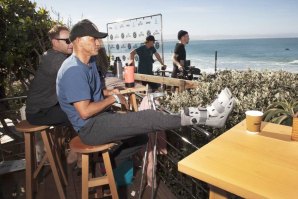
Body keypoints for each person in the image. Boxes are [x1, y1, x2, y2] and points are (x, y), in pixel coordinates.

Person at [56, 19, 235, 147]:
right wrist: (113, 100)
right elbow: (85, 112)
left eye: (99, 38)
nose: (99, 43)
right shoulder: (74, 70)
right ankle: (209, 116)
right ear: (78, 41)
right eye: (93, 38)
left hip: (100, 119)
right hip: (90, 128)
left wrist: (108, 94)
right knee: (149, 117)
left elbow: (91, 93)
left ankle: (112, 174)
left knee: (141, 138)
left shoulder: (89, 62)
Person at [26, 24, 73, 126]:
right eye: (67, 40)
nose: (72, 44)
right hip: (39, 112)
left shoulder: (53, 55)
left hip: (47, 106)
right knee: (81, 114)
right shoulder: (56, 59)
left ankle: (68, 140)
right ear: (55, 42)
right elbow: (77, 79)